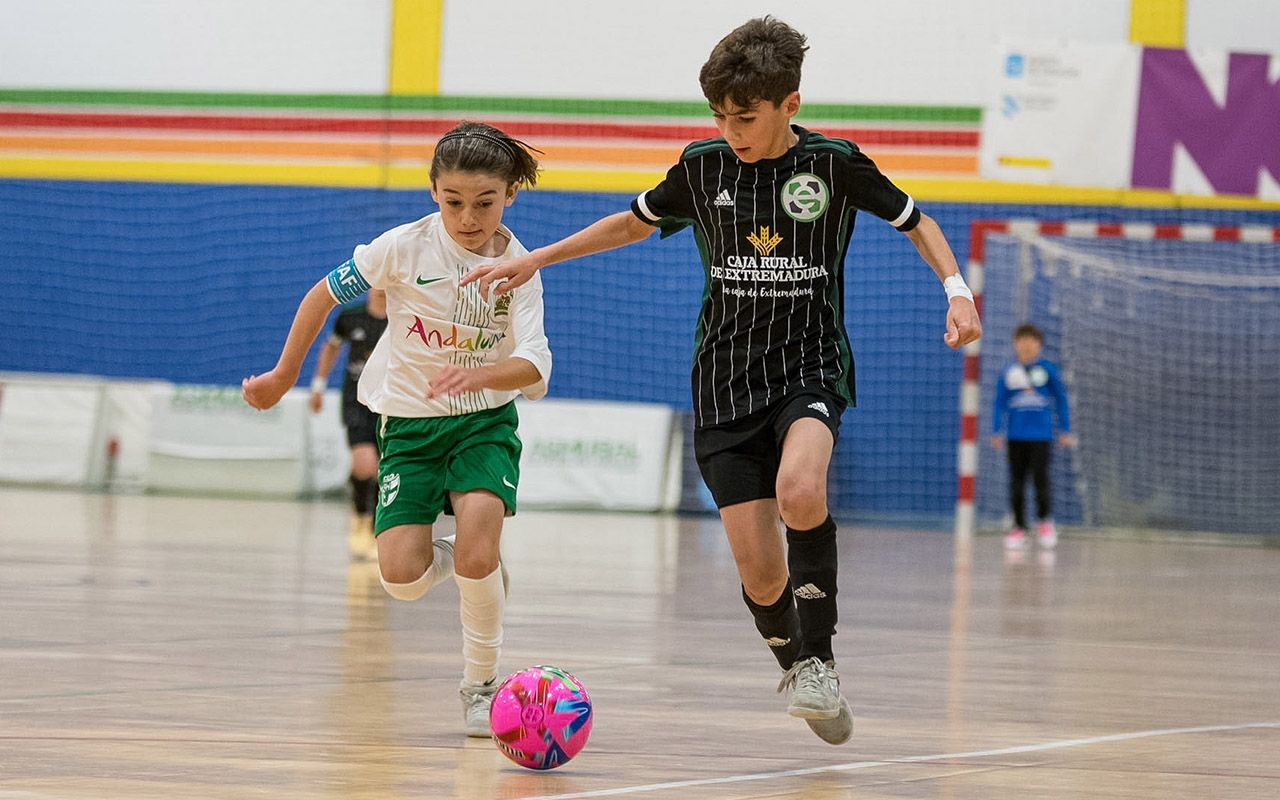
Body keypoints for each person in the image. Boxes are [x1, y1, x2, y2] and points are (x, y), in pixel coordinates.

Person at [462, 17, 981, 746]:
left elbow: (915, 220)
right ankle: (795, 660)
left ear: (788, 105)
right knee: (762, 577)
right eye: (719, 115)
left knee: (802, 491)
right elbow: (632, 223)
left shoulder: (833, 166)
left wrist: (956, 288)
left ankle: (821, 661)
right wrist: (535, 258)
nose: (730, 129)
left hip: (809, 368)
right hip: (724, 385)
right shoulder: (704, 169)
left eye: (745, 116)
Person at [243, 121, 552, 737]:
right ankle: (476, 564)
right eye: (454, 201)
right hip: (408, 428)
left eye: (485, 203)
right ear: (434, 192)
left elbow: (536, 363)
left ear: (510, 195)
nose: (469, 217)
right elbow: (320, 297)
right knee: (402, 580)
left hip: (483, 423)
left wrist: (484, 374)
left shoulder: (519, 267)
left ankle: (480, 685)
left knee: (479, 534)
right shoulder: (402, 249)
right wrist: (284, 374)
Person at [309, 288, 388, 561]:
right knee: (364, 464)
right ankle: (359, 519)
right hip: (355, 402)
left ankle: (380, 531)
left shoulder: (403, 319)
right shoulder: (350, 316)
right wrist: (318, 385)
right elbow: (331, 347)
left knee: (384, 470)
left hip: (390, 404)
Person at [990, 323, 1072, 551]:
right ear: (1015, 344)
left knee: (1040, 480)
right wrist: (997, 430)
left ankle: (1045, 521)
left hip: (1041, 437)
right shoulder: (1009, 372)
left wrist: (1065, 429)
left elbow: (1061, 399)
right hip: (1016, 437)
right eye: (1022, 340)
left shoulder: (1047, 370)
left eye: (1031, 340)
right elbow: (999, 403)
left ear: (1039, 345)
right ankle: (1018, 526)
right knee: (1017, 483)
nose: (1026, 345)